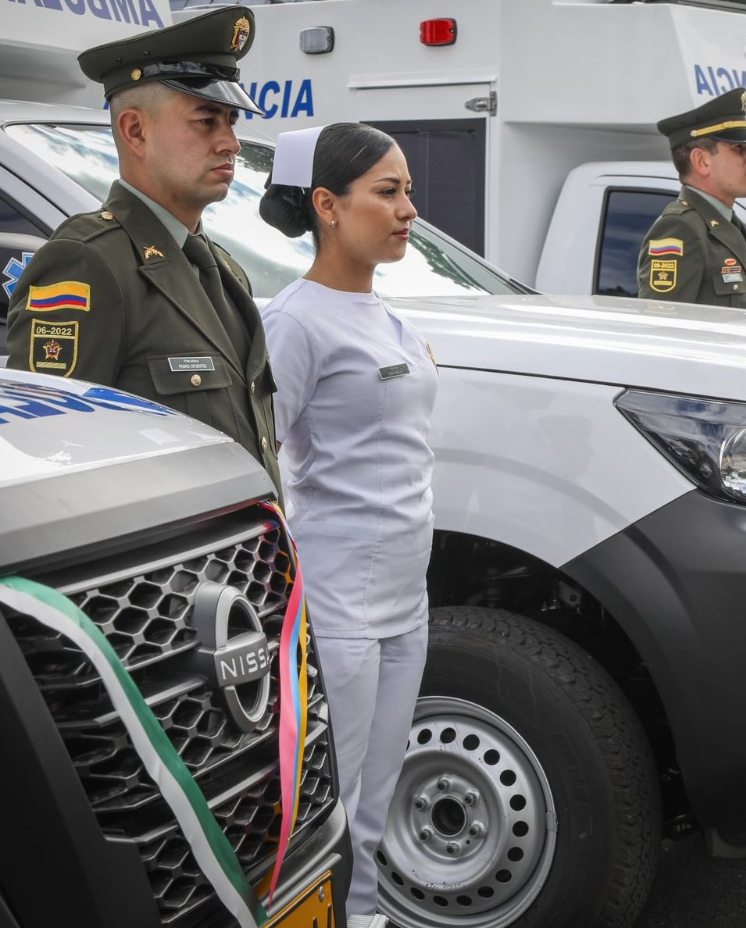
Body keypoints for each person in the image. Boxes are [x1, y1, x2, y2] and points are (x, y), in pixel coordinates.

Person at [258, 124, 435, 928]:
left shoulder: (384, 315)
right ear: (327, 206)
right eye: (387, 192)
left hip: (406, 596)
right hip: (338, 602)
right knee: (327, 800)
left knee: (376, 797)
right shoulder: (294, 322)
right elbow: (262, 463)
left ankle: (361, 918)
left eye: (406, 190)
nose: (408, 209)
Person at [4, 6, 281, 491]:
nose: (232, 143)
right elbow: (52, 455)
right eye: (206, 120)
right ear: (135, 131)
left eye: (231, 122)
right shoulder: (89, 261)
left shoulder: (223, 270)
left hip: (244, 559)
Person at [636, 87, 746, 308]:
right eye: (739, 148)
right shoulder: (680, 228)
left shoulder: (726, 224)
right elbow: (664, 330)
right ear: (702, 161)